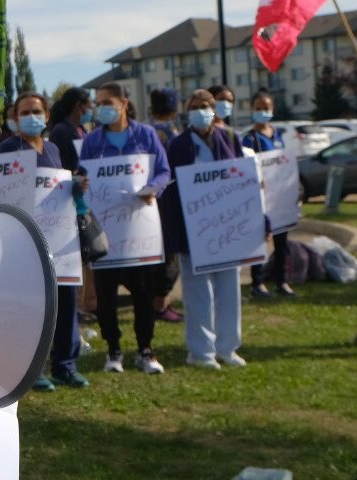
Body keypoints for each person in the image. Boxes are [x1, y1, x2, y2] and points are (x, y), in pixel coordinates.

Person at [79, 82, 172, 375]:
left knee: (143, 294)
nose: (102, 108)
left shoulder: (145, 135)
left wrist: (153, 188)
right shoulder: (92, 142)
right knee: (106, 297)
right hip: (105, 232)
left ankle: (145, 350)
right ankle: (113, 350)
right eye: (98, 103)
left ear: (124, 104)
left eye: (107, 102)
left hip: (139, 233)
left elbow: (164, 171)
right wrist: (81, 183)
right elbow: (82, 175)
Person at [0, 93, 90, 391]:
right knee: (33, 307)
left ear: (47, 115)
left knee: (66, 301)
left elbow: (58, 187)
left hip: (60, 238)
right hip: (27, 240)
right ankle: (33, 369)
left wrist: (76, 185)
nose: (31, 117)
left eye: (36, 111)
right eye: (24, 112)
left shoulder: (52, 148)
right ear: (15, 118)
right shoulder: (9, 149)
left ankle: (66, 365)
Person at [162, 89, 250, 369]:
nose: (200, 111)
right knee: (198, 293)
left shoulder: (230, 138)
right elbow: (170, 192)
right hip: (193, 231)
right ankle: (201, 352)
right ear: (188, 112)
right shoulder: (177, 145)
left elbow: (243, 180)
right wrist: (173, 235)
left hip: (227, 227)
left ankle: (227, 348)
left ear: (214, 109)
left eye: (205, 106)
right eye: (195, 107)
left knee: (229, 290)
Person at [49, 87, 98, 321]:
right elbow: (60, 167)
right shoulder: (61, 131)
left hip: (85, 197)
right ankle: (76, 308)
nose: (91, 109)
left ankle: (84, 305)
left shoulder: (81, 130)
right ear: (80, 106)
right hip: (70, 199)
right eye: (89, 105)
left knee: (85, 256)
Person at [242, 90, 297, 298]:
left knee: (282, 241)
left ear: (272, 109)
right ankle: (257, 283)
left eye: (266, 108)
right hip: (261, 197)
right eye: (258, 108)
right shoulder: (249, 139)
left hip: (280, 197)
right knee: (259, 239)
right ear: (252, 110)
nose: (262, 112)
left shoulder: (278, 135)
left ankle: (282, 281)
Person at [148, 88, 185, 323]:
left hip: (151, 198)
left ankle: (161, 302)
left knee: (160, 253)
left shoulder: (146, 131)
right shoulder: (171, 134)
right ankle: (160, 305)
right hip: (170, 199)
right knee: (169, 255)